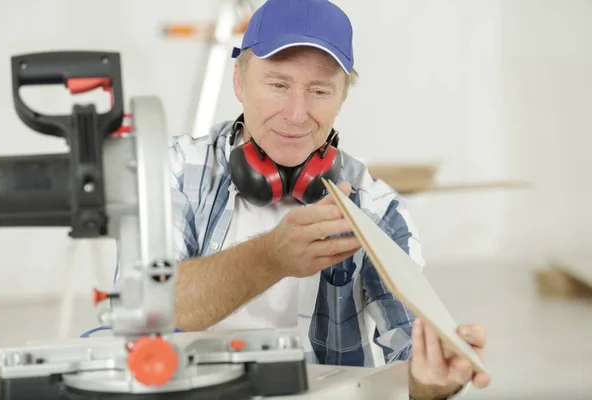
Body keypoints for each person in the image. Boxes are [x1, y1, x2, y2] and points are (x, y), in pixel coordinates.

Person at [169, 0, 491, 398]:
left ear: (342, 98)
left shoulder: (374, 205)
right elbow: (158, 310)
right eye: (279, 85)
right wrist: (271, 257)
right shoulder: (176, 170)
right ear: (239, 81)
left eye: (319, 91)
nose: (297, 113)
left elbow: (410, 350)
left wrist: (434, 379)